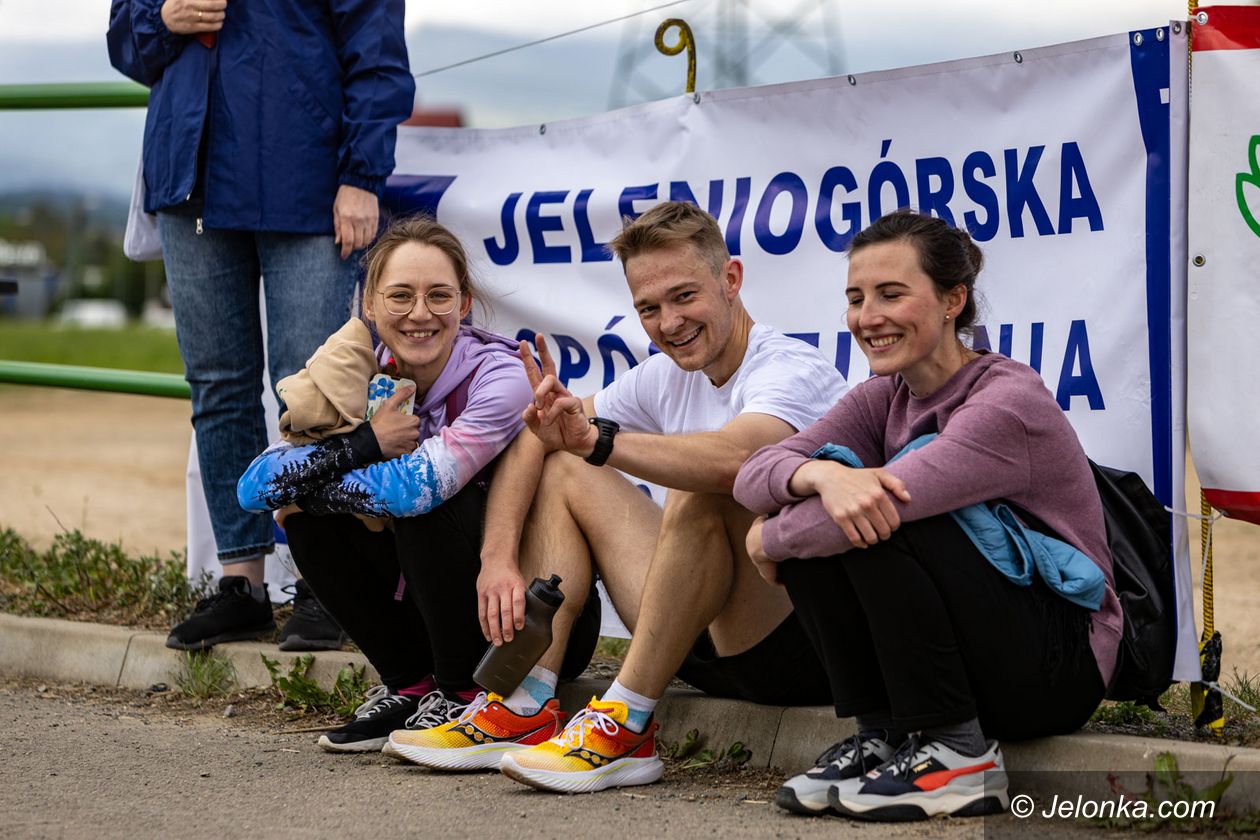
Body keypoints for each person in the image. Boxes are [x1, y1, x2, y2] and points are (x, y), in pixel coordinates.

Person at [386, 201, 848, 792]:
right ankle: (525, 704)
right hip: (694, 634)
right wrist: (496, 559)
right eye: (649, 308)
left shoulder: (789, 367)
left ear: (731, 279)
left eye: (684, 297)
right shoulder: (666, 373)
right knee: (561, 463)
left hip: (795, 646)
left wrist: (599, 441)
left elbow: (740, 458)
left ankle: (626, 721)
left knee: (703, 486)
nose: (669, 322)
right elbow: (540, 437)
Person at [733, 209, 1121, 821]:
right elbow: (753, 474)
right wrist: (819, 474)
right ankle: (885, 734)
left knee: (878, 517)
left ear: (952, 301)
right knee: (836, 502)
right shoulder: (881, 397)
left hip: (1057, 668)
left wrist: (769, 538)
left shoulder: (1005, 402)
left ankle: (958, 758)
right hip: (978, 660)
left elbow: (892, 502)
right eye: (857, 298)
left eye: (892, 294)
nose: (868, 317)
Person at [106, 0, 415, 650]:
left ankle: (326, 586)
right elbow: (124, 46)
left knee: (313, 390)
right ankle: (240, 583)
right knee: (217, 384)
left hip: (303, 180)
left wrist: (362, 176)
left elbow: (377, 53)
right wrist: (161, 18)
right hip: (188, 184)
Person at [236, 216, 602, 752]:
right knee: (300, 518)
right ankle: (411, 686)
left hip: (537, 622)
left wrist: (326, 472)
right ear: (370, 303)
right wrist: (366, 443)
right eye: (401, 296)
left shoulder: (498, 375)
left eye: (438, 296)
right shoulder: (361, 365)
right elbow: (254, 490)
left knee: (422, 500)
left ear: (465, 301)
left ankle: (461, 697)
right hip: (447, 608)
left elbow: (416, 490)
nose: (420, 314)